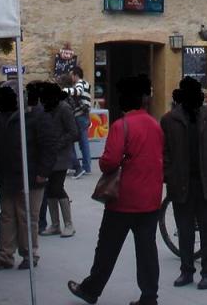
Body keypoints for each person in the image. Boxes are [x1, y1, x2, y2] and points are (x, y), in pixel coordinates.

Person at [69, 75, 163, 305]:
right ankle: (149, 296)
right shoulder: (155, 124)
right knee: (147, 251)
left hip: (123, 200)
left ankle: (92, 288)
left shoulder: (122, 126)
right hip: (150, 199)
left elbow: (108, 162)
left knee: (108, 248)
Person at [161, 76, 207, 290]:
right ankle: (186, 270)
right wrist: (169, 173)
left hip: (206, 181)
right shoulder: (169, 120)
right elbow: (163, 152)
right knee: (185, 229)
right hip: (181, 182)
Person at [0, 83, 58, 271]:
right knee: (7, 215)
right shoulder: (3, 117)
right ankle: (5, 255)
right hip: (7, 175)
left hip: (31, 176)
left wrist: (43, 172)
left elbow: (49, 147)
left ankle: (29, 254)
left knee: (27, 217)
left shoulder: (38, 117)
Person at [41, 82, 78, 238]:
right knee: (49, 188)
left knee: (57, 187)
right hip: (48, 155)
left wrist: (58, 143)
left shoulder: (64, 109)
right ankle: (55, 224)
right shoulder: (47, 108)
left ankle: (68, 224)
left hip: (61, 156)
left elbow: (73, 132)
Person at [65, 67, 93, 179]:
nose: (71, 77)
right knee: (83, 141)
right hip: (83, 116)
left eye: (72, 75)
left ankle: (84, 167)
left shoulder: (80, 83)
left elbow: (77, 91)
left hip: (80, 116)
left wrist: (64, 91)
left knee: (82, 141)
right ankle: (84, 167)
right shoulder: (85, 83)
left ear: (76, 75)